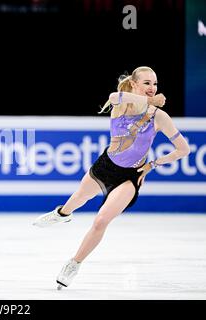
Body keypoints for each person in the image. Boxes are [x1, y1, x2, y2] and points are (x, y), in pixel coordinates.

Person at [33, 66, 190, 289]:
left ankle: (74, 264)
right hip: (106, 166)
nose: (152, 88)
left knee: (100, 221)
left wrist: (153, 164)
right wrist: (150, 102)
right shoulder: (121, 103)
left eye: (155, 84)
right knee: (78, 198)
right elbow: (114, 95)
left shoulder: (160, 117)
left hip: (130, 177)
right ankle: (61, 214)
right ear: (134, 84)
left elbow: (183, 150)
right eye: (146, 83)